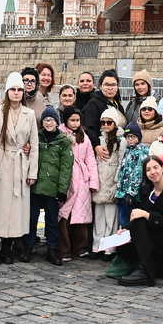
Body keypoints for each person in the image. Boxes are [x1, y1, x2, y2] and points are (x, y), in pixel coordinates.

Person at [0, 73, 39, 265]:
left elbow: (34, 145)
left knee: (15, 211)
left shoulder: (29, 115)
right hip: (1, 163)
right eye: (13, 89)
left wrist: (32, 171)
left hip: (20, 165)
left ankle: (7, 248)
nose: (16, 93)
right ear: (7, 91)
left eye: (20, 90)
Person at [116, 156, 163, 286]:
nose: (152, 172)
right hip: (155, 231)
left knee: (141, 222)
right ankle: (157, 266)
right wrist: (127, 229)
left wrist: (148, 215)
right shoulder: (146, 190)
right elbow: (141, 218)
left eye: (155, 167)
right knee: (123, 246)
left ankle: (145, 270)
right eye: (148, 170)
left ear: (162, 168)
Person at [26, 107, 73, 265]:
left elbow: (66, 167)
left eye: (51, 120)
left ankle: (52, 248)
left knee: (52, 220)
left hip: (52, 187)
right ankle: (28, 246)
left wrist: (62, 189)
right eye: (45, 120)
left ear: (57, 123)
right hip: (35, 185)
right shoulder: (36, 137)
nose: (48, 123)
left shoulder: (63, 141)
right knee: (31, 218)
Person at [58, 106, 98, 261]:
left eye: (77, 120)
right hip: (66, 177)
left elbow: (90, 159)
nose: (75, 123)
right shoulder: (61, 134)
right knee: (64, 214)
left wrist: (93, 181)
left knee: (81, 215)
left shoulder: (84, 137)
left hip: (82, 179)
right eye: (72, 120)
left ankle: (81, 247)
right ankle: (63, 248)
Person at [91, 109, 122, 258]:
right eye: (103, 122)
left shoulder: (121, 140)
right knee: (99, 218)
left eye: (109, 122)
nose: (105, 125)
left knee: (111, 218)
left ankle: (110, 248)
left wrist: (116, 182)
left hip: (112, 181)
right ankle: (97, 246)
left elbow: (121, 161)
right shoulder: (98, 139)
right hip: (99, 179)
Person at [115, 122, 150, 229]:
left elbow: (138, 174)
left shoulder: (141, 152)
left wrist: (131, 193)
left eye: (133, 136)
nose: (130, 139)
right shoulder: (127, 150)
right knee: (123, 222)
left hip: (132, 196)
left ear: (139, 137)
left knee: (132, 223)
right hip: (122, 193)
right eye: (128, 137)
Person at [81, 71, 124, 148]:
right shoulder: (93, 103)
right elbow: (90, 128)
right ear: (100, 86)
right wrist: (96, 145)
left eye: (113, 85)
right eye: (107, 85)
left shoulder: (118, 105)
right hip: (101, 147)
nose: (110, 88)